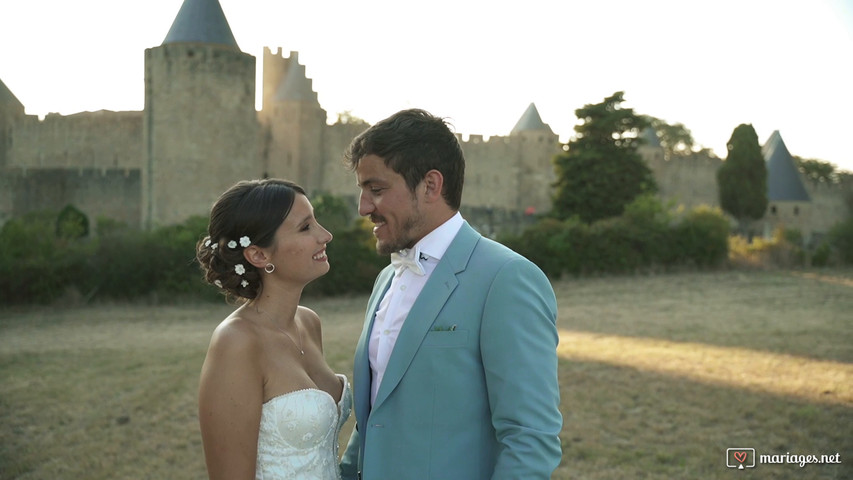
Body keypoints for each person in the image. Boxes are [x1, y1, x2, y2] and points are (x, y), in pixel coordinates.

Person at [339, 109, 562, 479]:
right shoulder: (386, 281)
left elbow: (530, 438)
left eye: (376, 190)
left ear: (430, 186)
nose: (364, 208)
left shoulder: (506, 279)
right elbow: (373, 421)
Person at [195, 178, 351, 480]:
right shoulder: (236, 342)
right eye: (306, 228)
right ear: (259, 255)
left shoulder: (309, 323)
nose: (325, 235)